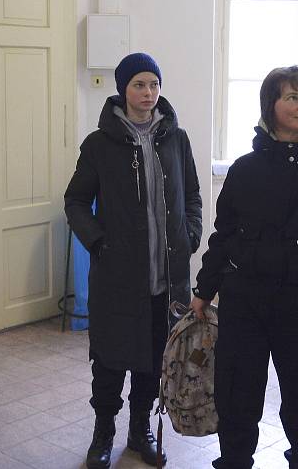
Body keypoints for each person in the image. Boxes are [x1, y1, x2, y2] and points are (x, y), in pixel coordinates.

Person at [190, 66, 298, 469]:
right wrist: (204, 288)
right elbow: (224, 233)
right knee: (237, 392)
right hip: (244, 298)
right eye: (293, 97)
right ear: (271, 105)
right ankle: (234, 461)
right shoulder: (246, 168)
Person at [65, 52, 203, 469]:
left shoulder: (176, 139)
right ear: (123, 89)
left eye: (154, 85)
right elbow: (74, 201)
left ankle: (139, 427)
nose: (148, 93)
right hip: (118, 276)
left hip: (167, 276)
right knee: (109, 358)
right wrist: (98, 243)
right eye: (139, 85)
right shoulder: (99, 144)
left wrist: (190, 235)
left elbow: (193, 195)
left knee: (154, 356)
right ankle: (103, 430)